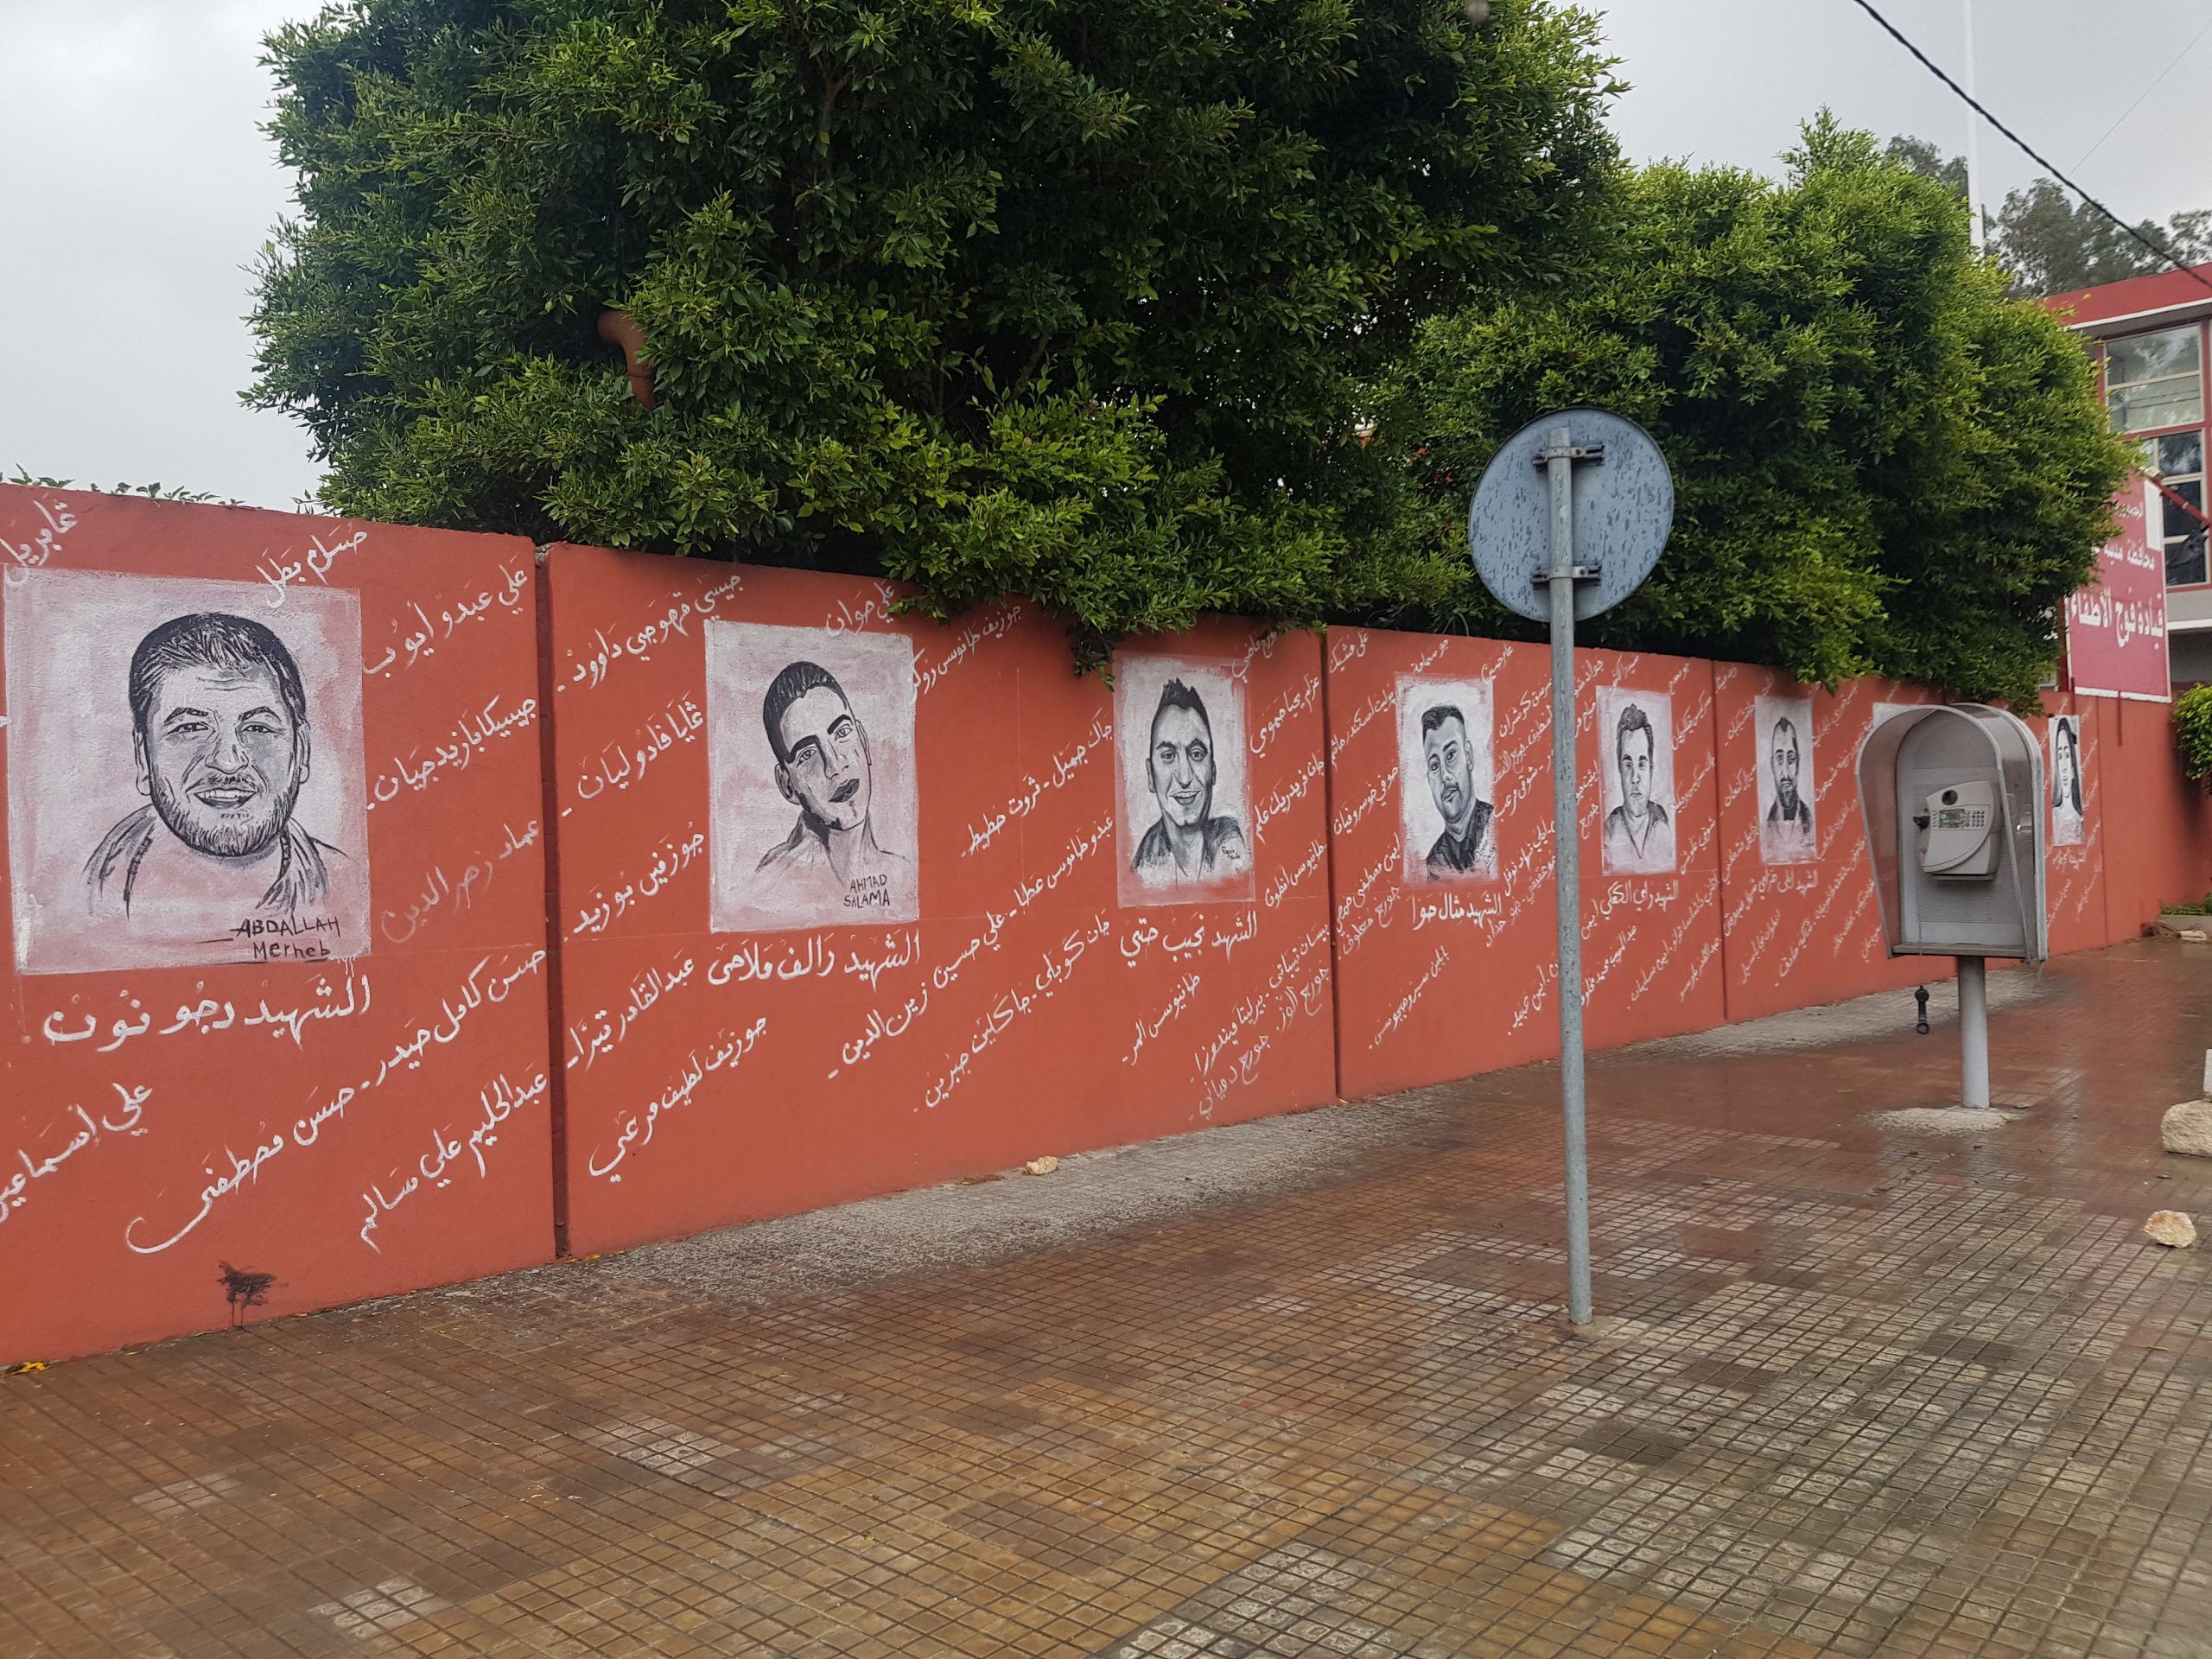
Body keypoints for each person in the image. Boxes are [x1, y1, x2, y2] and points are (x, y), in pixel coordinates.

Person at [86, 613, 340, 918]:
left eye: (258, 728)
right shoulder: (77, 899)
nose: (228, 762)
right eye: (191, 728)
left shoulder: (346, 886)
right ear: (143, 757)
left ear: (302, 751)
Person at [757, 659, 905, 910]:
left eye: (842, 733)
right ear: (787, 785)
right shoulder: (772, 885)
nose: (835, 766)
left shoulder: (902, 873)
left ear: (864, 742)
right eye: (807, 754)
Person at [1132, 677, 1249, 882]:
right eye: (1168, 756)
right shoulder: (1143, 869)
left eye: (1196, 754)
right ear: (1151, 775)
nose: (1184, 777)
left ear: (1212, 770)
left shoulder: (1236, 848)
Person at [1419, 703, 1493, 879]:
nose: (1445, 775)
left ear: (1468, 756)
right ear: (1429, 779)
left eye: (1451, 756)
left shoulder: (1496, 829)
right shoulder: (1433, 865)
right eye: (1435, 766)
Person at [1602, 701, 1674, 873]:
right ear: (1619, 768)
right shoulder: (1609, 831)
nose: (1635, 778)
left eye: (1641, 764)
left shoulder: (1664, 826)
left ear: (1651, 769)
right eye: (1628, 765)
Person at [1764, 714, 1814, 854]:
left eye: (1791, 759)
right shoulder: (1768, 823)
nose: (1785, 773)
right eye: (1780, 759)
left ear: (1798, 762)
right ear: (1772, 764)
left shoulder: (1809, 818)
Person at [2052, 717, 2084, 843]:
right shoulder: (2055, 815)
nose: (2064, 765)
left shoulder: (2080, 817)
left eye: (2067, 755)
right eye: (2060, 756)